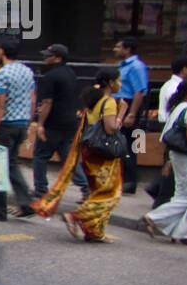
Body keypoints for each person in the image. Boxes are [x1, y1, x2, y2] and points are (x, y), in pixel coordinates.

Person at [32, 69, 124, 242]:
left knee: (98, 192)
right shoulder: (109, 102)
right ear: (111, 83)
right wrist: (121, 114)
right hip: (104, 155)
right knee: (111, 194)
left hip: (91, 151)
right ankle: (75, 216)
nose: (121, 84)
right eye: (119, 81)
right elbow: (111, 128)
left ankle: (94, 232)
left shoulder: (94, 100)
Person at [0, 38, 36, 220]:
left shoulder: (3, 73)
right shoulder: (27, 71)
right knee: (12, 164)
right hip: (21, 123)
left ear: (2, 51)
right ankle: (26, 203)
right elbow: (33, 98)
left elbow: (0, 104)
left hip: (6, 125)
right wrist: (28, 123)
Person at [31, 43, 88, 199]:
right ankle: (86, 188)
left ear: (57, 58)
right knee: (69, 159)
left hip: (53, 124)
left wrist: (40, 124)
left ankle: (41, 189)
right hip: (70, 122)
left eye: (48, 55)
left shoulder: (50, 76)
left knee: (40, 156)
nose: (45, 58)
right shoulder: (70, 73)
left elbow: (47, 102)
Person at [142, 80, 187, 244]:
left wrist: (169, 160)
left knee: (182, 195)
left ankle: (179, 231)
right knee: (185, 196)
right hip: (186, 156)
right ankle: (159, 220)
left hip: (176, 154)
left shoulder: (178, 108)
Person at [147, 55, 187, 205]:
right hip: (174, 134)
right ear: (184, 69)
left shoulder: (172, 86)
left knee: (171, 171)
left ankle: (157, 190)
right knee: (171, 174)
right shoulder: (174, 88)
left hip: (172, 132)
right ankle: (159, 201)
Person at [113, 37, 148, 193]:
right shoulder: (123, 66)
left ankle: (129, 181)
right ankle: (120, 178)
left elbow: (139, 92)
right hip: (119, 104)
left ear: (127, 49)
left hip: (128, 106)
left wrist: (132, 114)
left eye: (118, 46)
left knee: (127, 143)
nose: (115, 49)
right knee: (118, 142)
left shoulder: (136, 67)